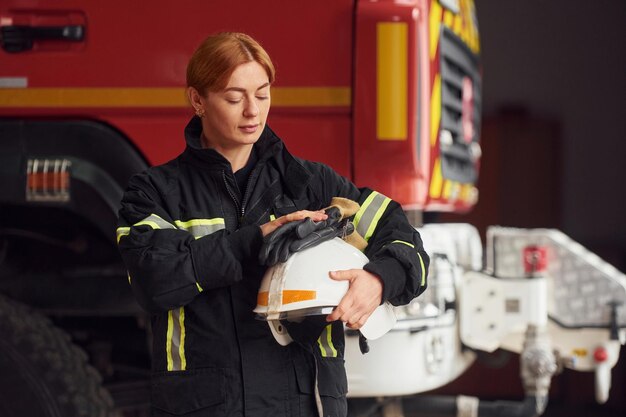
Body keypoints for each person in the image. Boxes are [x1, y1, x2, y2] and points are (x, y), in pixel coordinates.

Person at [117, 32, 429, 417]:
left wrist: (379, 281)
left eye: (262, 95)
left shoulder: (314, 186)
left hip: (304, 404)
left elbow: (406, 240)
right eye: (235, 98)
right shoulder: (154, 193)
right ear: (197, 100)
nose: (253, 111)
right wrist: (252, 242)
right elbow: (154, 279)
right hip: (206, 406)